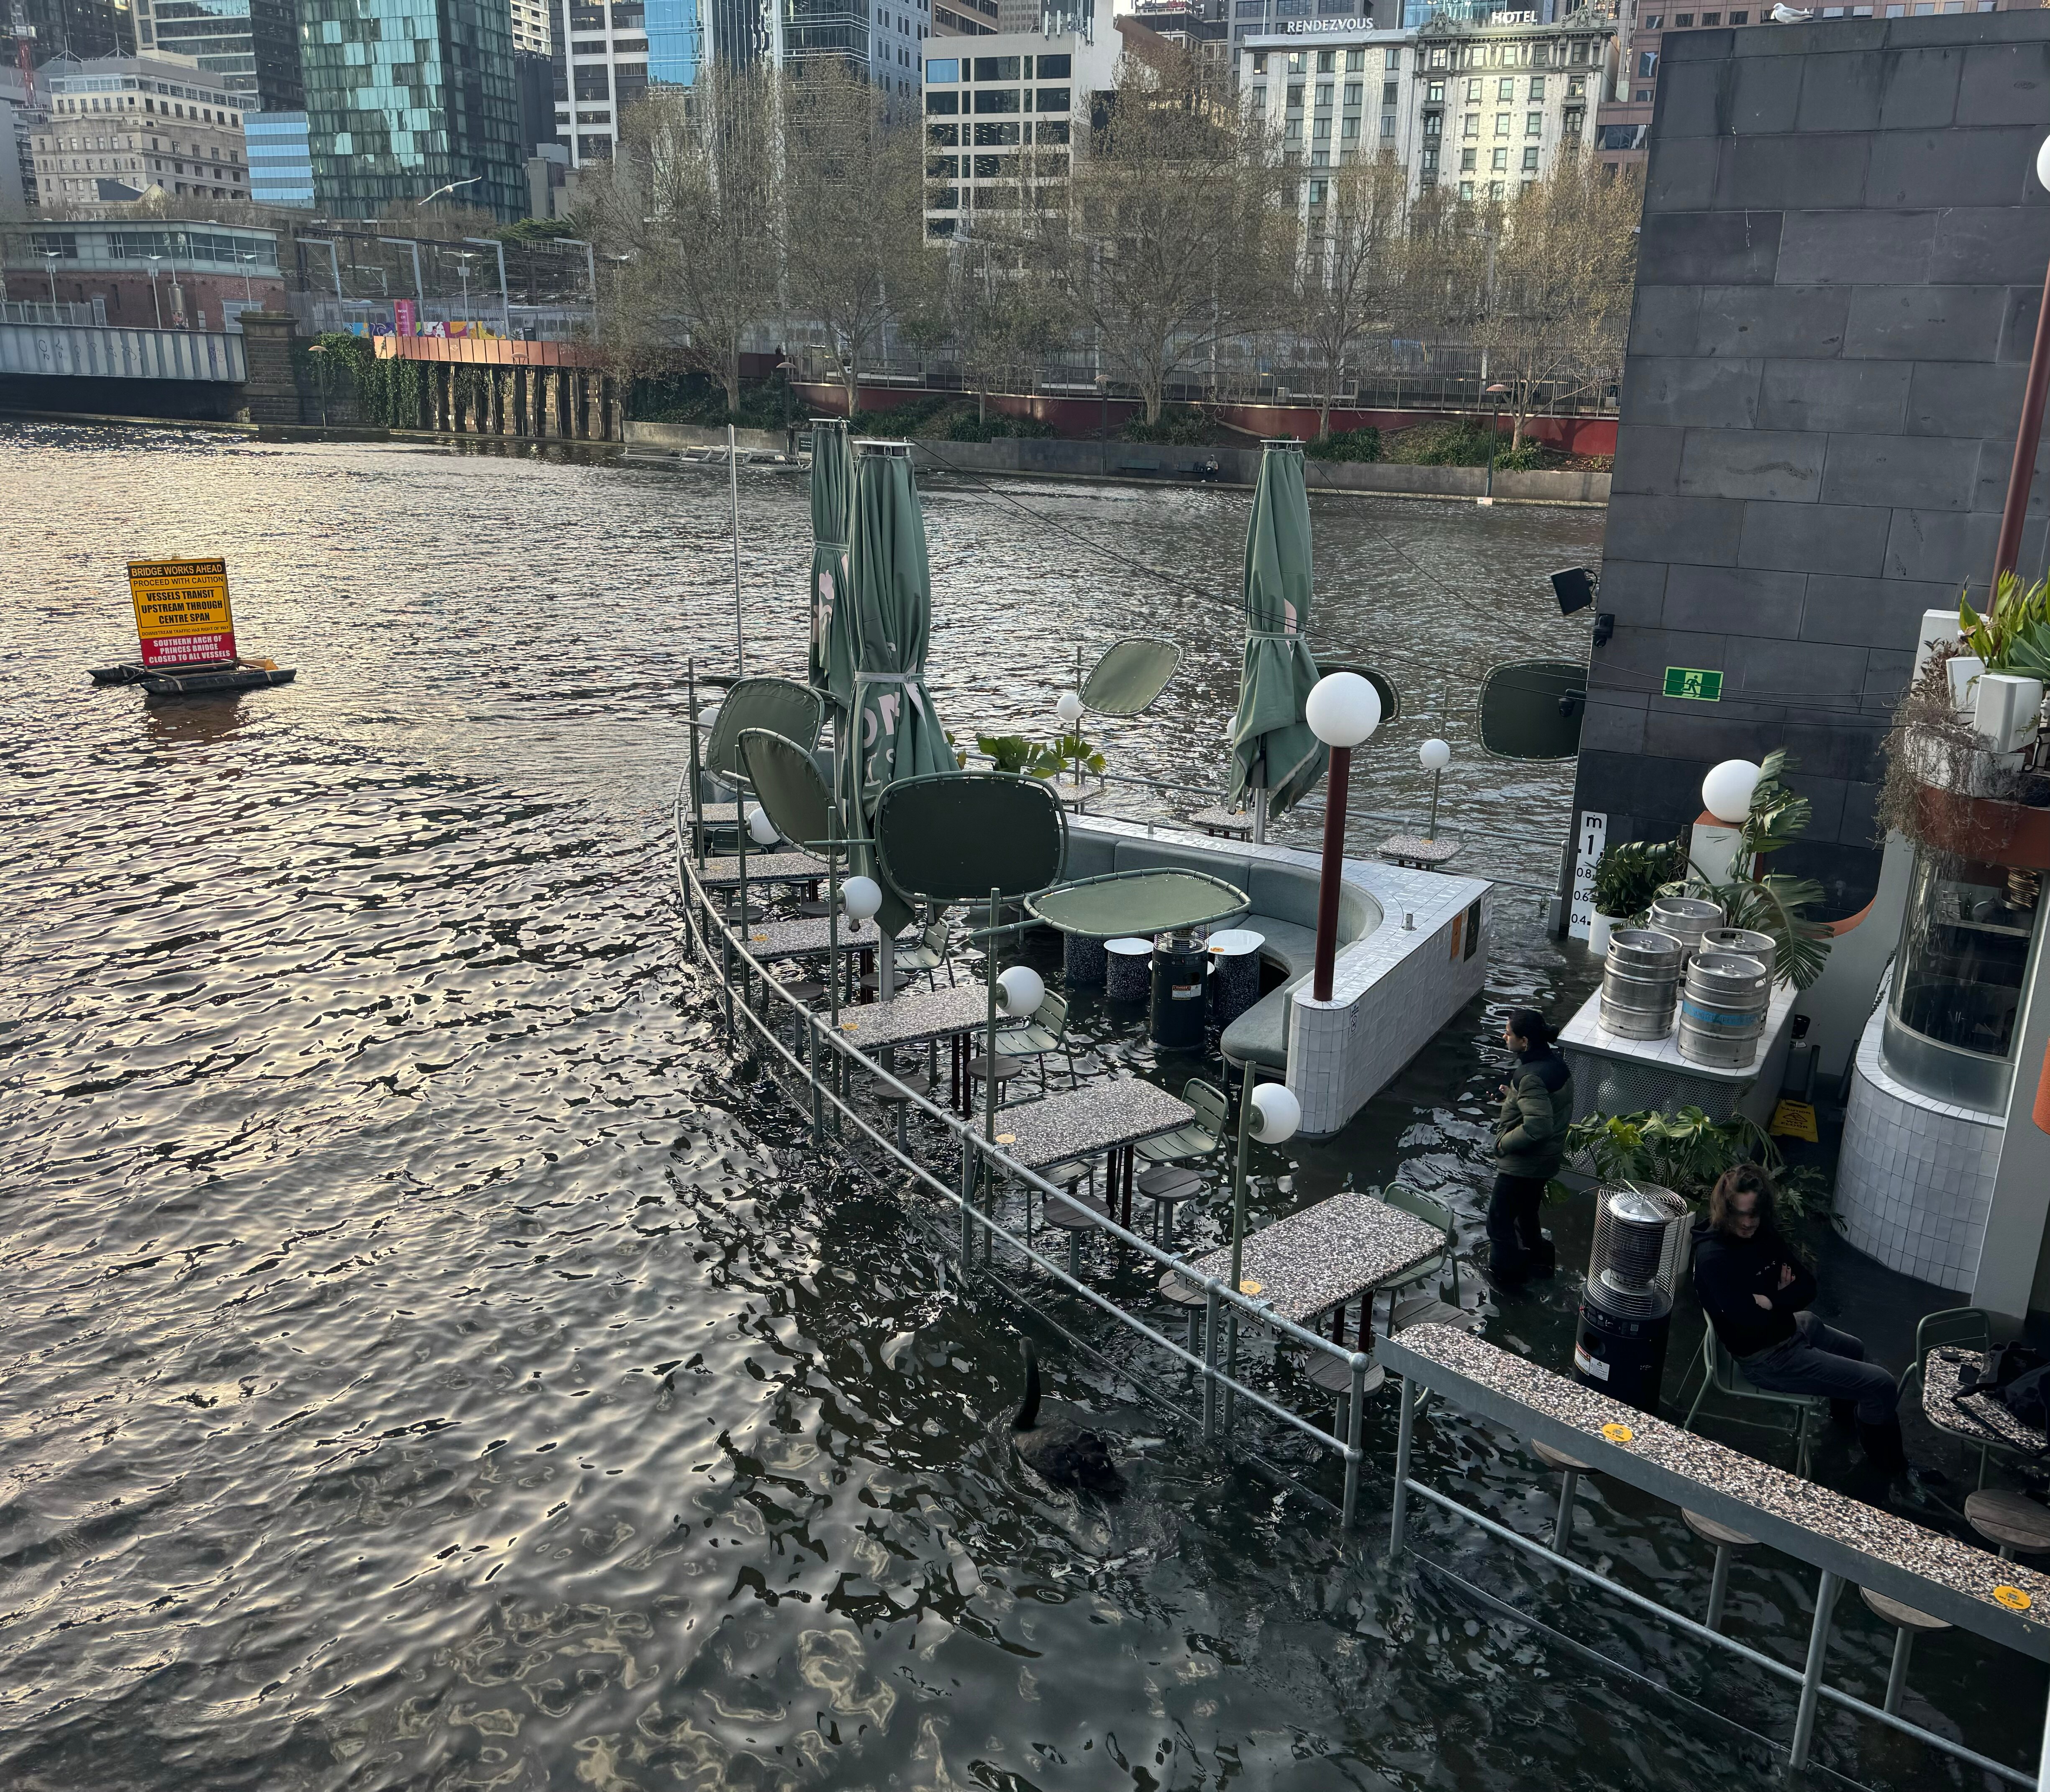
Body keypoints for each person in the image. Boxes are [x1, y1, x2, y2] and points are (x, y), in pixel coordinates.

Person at [1691, 1164, 1909, 1474]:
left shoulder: (1761, 1234)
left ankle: (1844, 1427)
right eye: (1742, 1214)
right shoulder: (1715, 1258)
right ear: (1725, 1210)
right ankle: (1891, 1471)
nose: (1750, 1223)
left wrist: (1770, 1299)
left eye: (1756, 1213)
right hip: (1768, 1358)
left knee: (1854, 1348)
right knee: (1882, 1385)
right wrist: (1779, 1296)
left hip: (1788, 1329)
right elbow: (1750, 1323)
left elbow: (1808, 1286)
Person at [1486, 1007, 1572, 1288]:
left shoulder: (1530, 1076)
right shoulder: (1557, 1065)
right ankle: (1541, 1266)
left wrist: (1502, 1143)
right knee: (1526, 1215)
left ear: (1524, 1041)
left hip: (1523, 1164)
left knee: (1499, 1224)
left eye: (1509, 1033)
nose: (1504, 1036)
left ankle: (1509, 1284)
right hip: (1545, 1162)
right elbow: (1550, 1108)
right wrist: (1513, 1098)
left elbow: (1538, 1128)